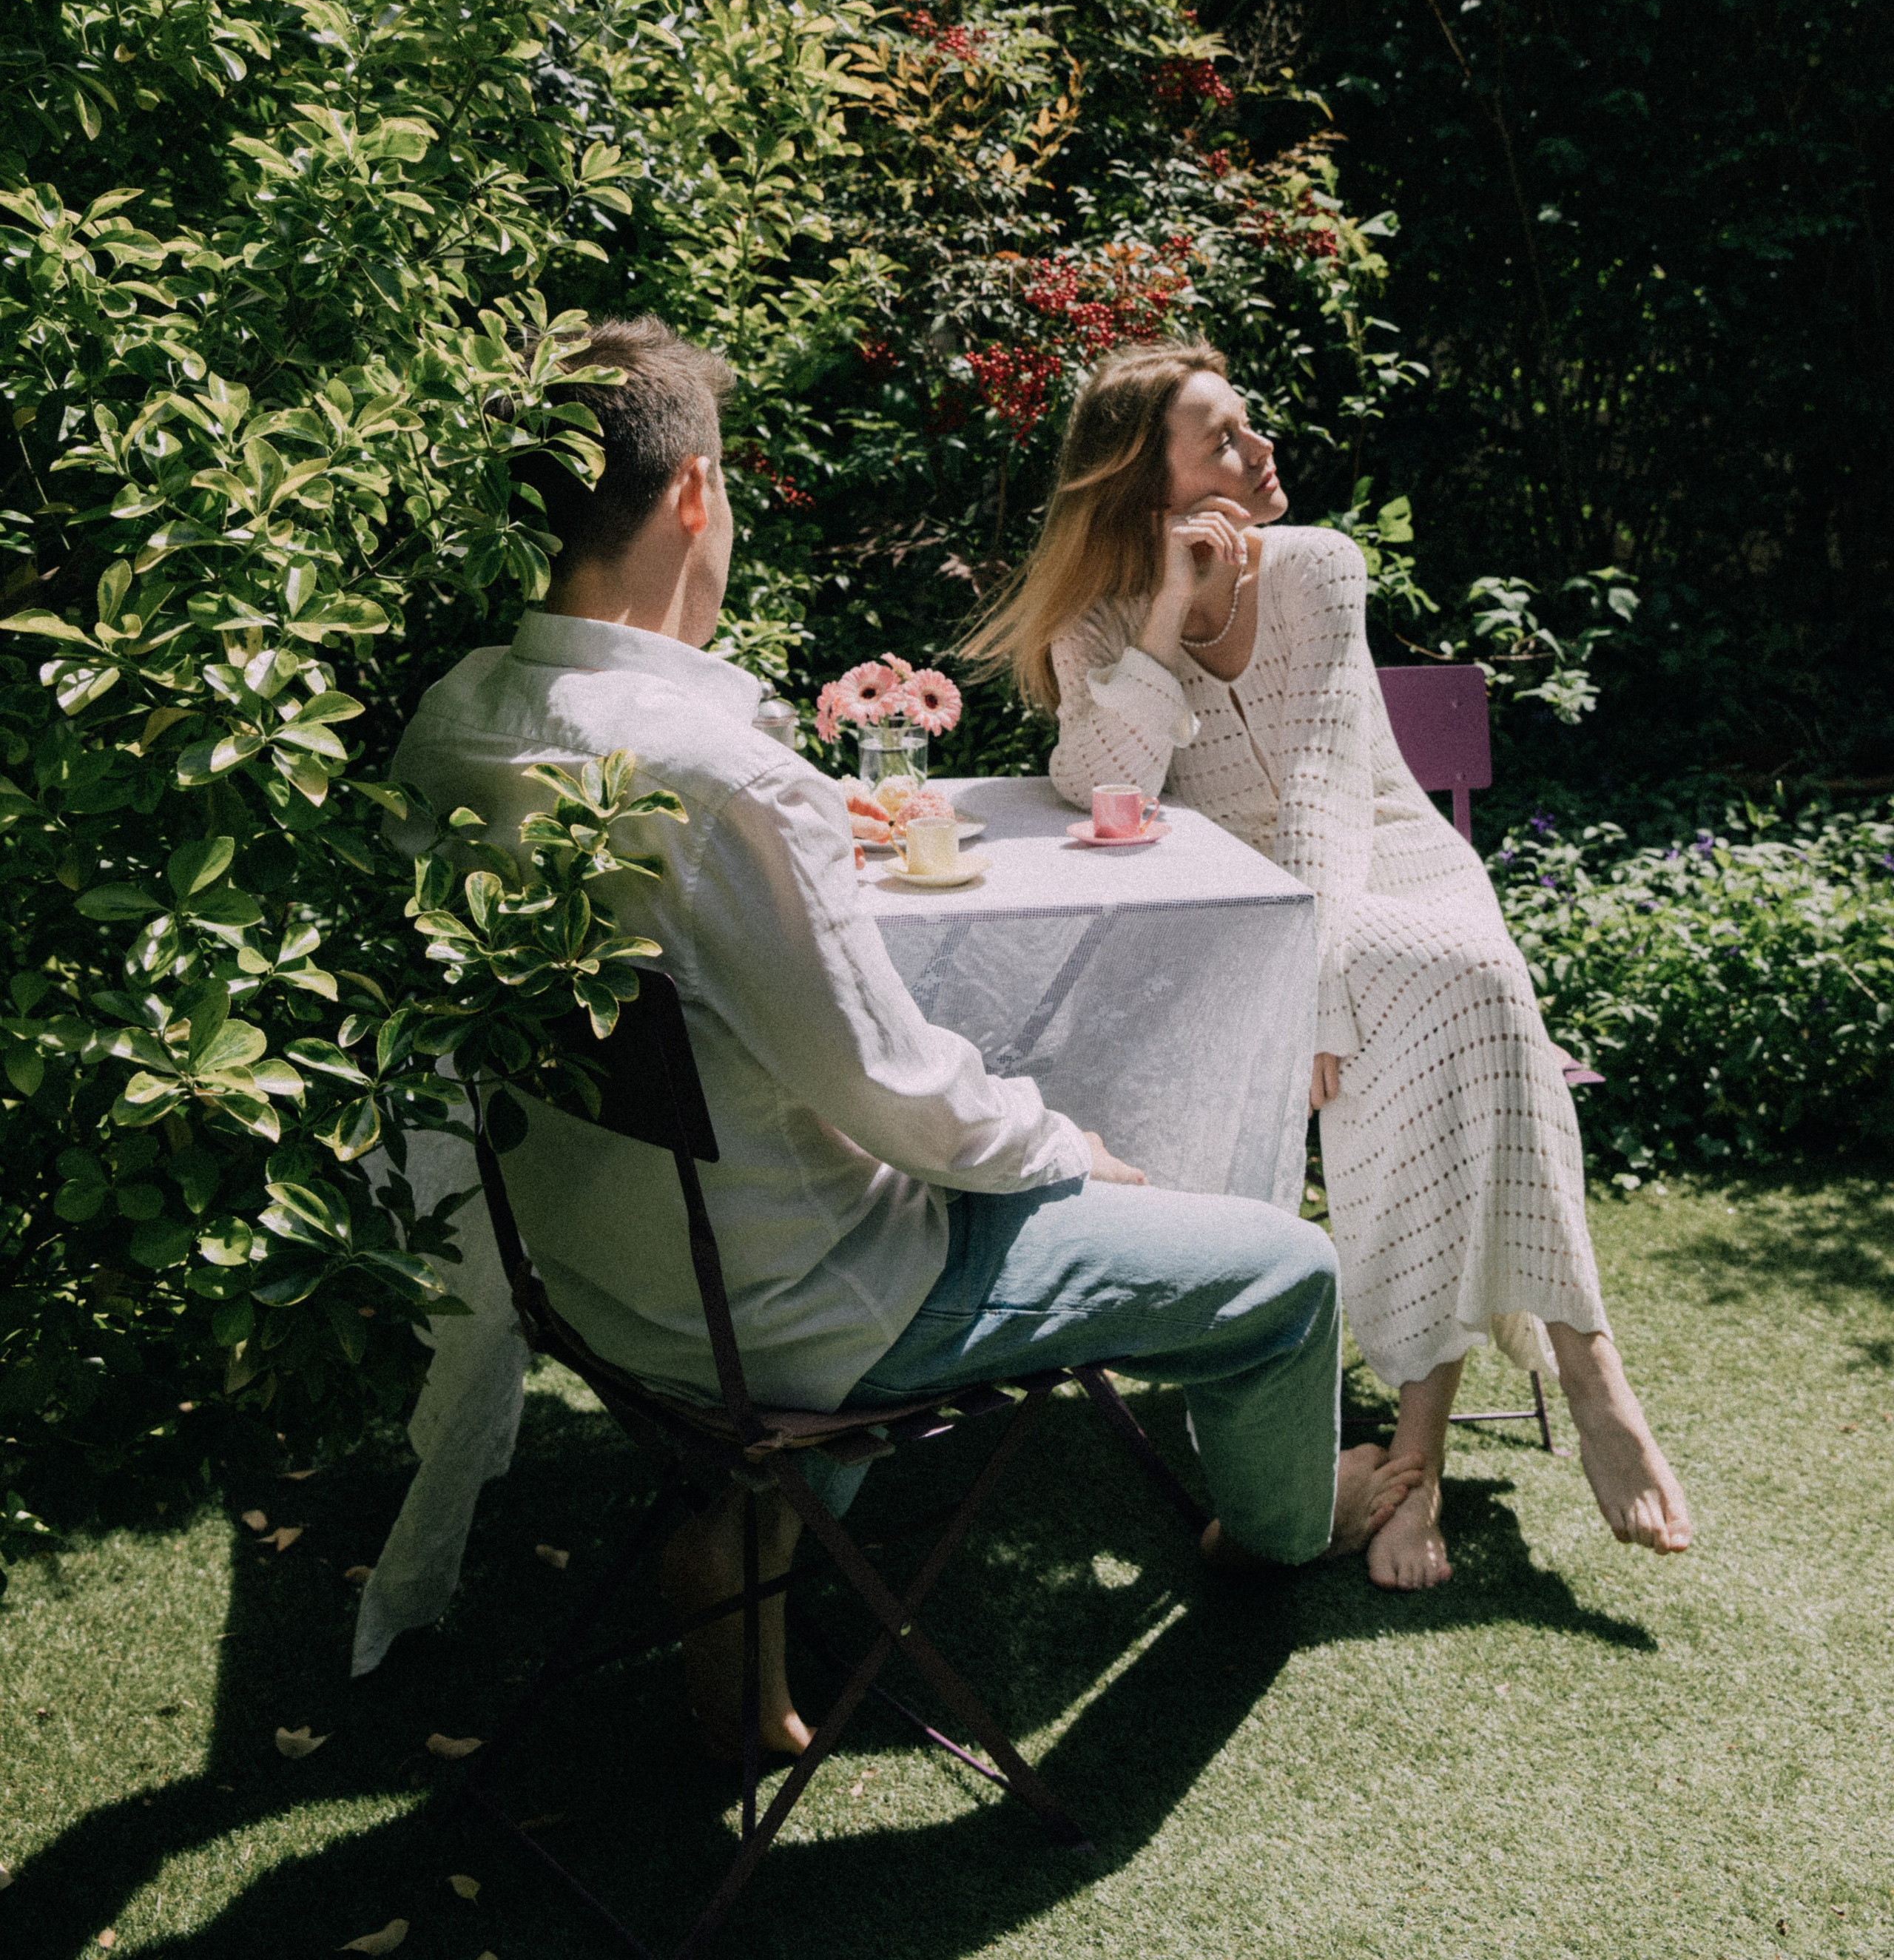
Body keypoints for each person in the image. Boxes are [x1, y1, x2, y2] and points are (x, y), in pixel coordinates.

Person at [390, 317, 1420, 1759]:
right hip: (791, 1311)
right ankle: (1281, 1530)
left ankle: (741, 1537)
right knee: (1286, 1270)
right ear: (695, 493)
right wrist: (1069, 1147)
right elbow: (894, 1093)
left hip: (591, 1276)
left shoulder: (456, 719)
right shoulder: (719, 771)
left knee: (948, 1137)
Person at [964, 338, 1691, 1592]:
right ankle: (1440, 1461)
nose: (1263, 453)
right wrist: (1161, 608)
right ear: (1155, 493)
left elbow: (1320, 801)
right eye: (1227, 443)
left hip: (1381, 865)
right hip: (1239, 920)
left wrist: (1324, 997)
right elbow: (1107, 786)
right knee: (1461, 999)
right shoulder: (1100, 623)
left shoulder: (1317, 569)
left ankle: (1567, 1378)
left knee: (1458, 981)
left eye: (1253, 428)